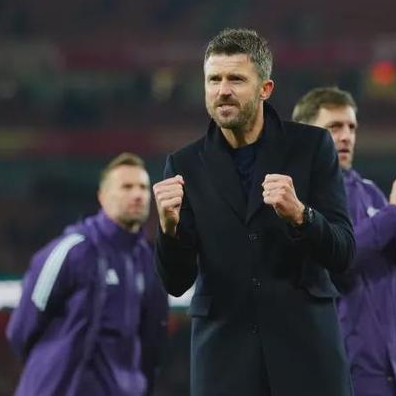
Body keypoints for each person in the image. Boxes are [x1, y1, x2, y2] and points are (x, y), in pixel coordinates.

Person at [152, 28, 355, 396]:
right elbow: (176, 282)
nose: (222, 90)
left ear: (265, 88)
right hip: (225, 363)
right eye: (213, 79)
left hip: (306, 356)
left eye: (236, 79)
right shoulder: (184, 165)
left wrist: (302, 216)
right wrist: (169, 230)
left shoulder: (311, 146)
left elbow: (343, 253)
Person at [292, 87, 396, 396]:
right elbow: (340, 260)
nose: (346, 137)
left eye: (351, 127)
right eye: (334, 127)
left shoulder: (368, 192)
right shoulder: (300, 201)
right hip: (343, 378)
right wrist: (395, 210)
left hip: (394, 376)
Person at [6, 152, 169, 396]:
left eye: (143, 187)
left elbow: (151, 340)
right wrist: (49, 370)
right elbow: (21, 329)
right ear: (102, 196)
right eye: (126, 187)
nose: (138, 195)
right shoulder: (73, 251)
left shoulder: (149, 262)